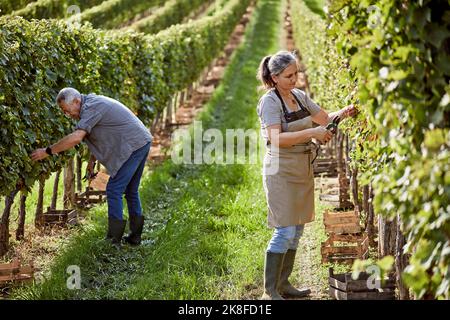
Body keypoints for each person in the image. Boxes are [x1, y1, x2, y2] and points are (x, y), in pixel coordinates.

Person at [256, 51, 357, 300]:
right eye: (289, 76)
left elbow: (324, 118)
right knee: (285, 230)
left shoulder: (299, 97)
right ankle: (270, 290)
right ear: (275, 77)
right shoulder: (270, 102)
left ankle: (284, 283)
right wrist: (312, 133)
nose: (295, 79)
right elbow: (276, 138)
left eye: (296, 73)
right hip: (280, 169)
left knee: (297, 229)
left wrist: (343, 112)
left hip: (301, 167)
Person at [31, 88, 153, 247]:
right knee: (130, 190)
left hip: (134, 145)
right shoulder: (90, 104)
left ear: (76, 101)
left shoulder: (91, 107)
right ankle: (134, 238)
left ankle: (113, 241)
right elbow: (101, 132)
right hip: (141, 141)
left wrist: (47, 151)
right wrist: (92, 161)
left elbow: (76, 138)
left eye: (67, 111)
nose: (68, 115)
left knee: (114, 190)